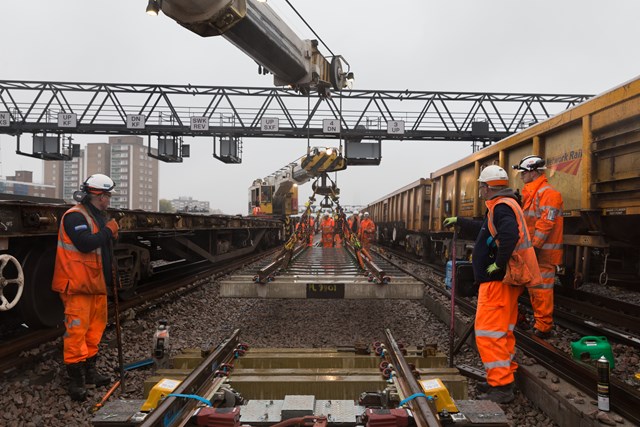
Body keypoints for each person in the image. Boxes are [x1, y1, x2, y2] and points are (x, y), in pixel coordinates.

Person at [443, 165, 541, 404]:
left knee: (488, 333)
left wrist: (498, 263)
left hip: (497, 283)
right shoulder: (505, 205)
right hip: (504, 283)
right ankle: (502, 376)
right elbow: (485, 230)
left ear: (487, 187)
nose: (480, 191)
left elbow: (509, 236)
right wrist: (462, 221)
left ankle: (502, 386)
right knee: (503, 332)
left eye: (481, 187)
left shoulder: (501, 208)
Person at [52, 174, 119, 401]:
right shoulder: (75, 216)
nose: (109, 200)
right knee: (76, 333)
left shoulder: (97, 217)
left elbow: (101, 247)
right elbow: (84, 243)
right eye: (107, 195)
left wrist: (109, 232)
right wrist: (109, 231)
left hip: (95, 285)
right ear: (98, 195)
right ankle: (76, 382)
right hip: (77, 284)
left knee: (94, 331)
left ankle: (90, 373)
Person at [513, 155, 564, 338]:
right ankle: (522, 319)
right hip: (529, 252)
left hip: (543, 253)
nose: (521, 176)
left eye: (523, 173)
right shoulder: (531, 193)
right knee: (522, 286)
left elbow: (546, 223)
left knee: (541, 290)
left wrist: (534, 247)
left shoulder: (549, 194)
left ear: (533, 172)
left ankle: (543, 327)